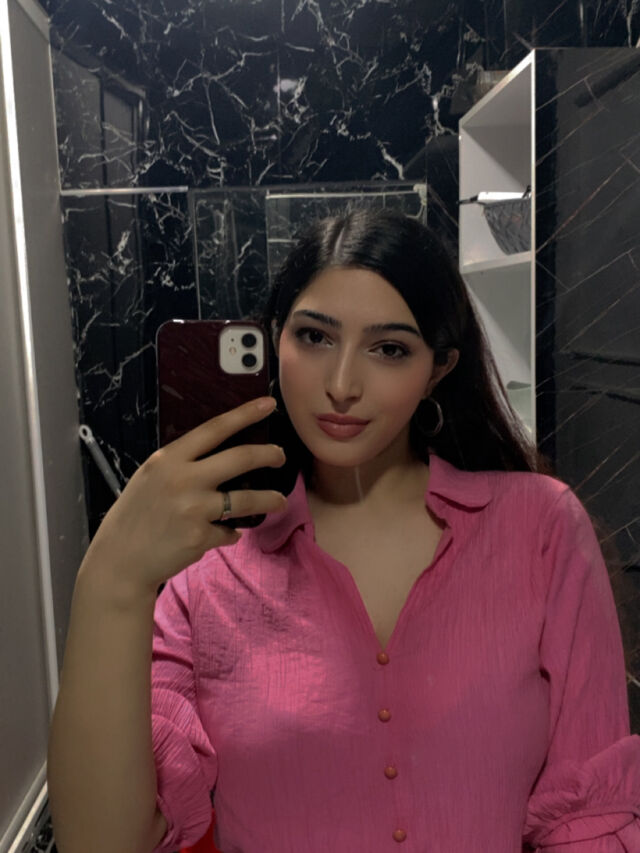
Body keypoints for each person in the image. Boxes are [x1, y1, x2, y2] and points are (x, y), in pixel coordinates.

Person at [47, 209, 640, 853]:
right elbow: (106, 841)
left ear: (438, 368)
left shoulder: (541, 529)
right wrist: (111, 577)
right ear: (275, 339)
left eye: (389, 349)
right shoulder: (211, 571)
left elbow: (590, 820)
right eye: (314, 337)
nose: (341, 386)